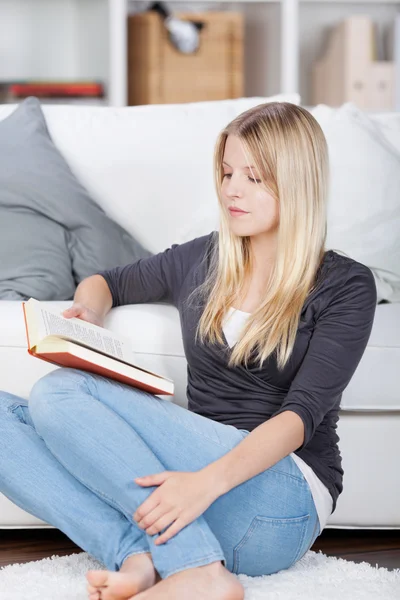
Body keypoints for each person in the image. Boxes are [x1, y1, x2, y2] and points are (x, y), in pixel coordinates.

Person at [0, 102, 377, 600]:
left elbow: (301, 417)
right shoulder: (202, 258)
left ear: (297, 181)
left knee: (60, 393)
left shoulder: (345, 285)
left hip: (278, 501)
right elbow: (104, 281)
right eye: (226, 173)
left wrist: (205, 484)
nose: (231, 190)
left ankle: (197, 571)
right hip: (191, 502)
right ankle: (138, 556)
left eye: (253, 177)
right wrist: (88, 315)